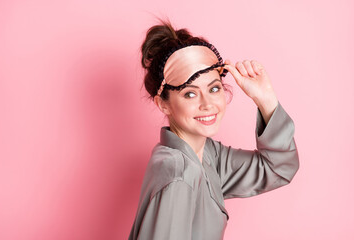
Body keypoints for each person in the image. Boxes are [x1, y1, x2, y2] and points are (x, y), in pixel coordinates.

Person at [128, 19, 299, 240]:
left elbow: (278, 169)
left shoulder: (208, 155)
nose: (207, 104)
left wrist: (265, 100)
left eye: (214, 88)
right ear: (163, 103)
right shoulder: (178, 175)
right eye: (190, 93)